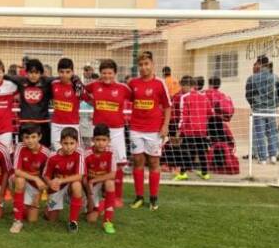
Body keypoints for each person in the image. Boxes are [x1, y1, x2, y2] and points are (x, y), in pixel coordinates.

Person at [127, 51, 172, 210]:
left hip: (154, 130)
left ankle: (153, 198)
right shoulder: (133, 83)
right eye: (141, 65)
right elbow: (128, 101)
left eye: (146, 64)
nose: (144, 67)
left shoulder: (160, 83)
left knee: (154, 162)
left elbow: (167, 107)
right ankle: (139, 197)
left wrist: (165, 126)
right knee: (138, 161)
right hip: (136, 129)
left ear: (152, 64)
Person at [83, 59, 130, 207]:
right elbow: (80, 90)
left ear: (115, 73)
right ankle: (98, 193)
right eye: (104, 73)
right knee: (97, 161)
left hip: (116, 130)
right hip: (99, 130)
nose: (107, 76)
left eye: (110, 73)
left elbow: (137, 98)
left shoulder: (123, 88)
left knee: (119, 164)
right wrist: (91, 101)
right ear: (100, 74)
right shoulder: (95, 85)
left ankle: (117, 196)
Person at [10, 123, 53, 233]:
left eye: (33, 137)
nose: (30, 140)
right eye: (26, 137)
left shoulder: (46, 153)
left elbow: (46, 176)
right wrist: (35, 179)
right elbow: (17, 171)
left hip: (35, 185)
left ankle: (21, 206)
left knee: (32, 219)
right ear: (22, 138)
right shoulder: (20, 147)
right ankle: (17, 221)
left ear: (39, 137)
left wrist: (40, 192)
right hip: (21, 179)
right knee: (19, 180)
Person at [42, 127, 85, 233]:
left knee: (77, 185)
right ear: (60, 142)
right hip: (57, 188)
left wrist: (61, 180)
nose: (69, 147)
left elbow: (79, 176)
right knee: (51, 219)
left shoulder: (79, 154)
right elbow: (45, 175)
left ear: (77, 143)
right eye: (66, 143)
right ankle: (49, 209)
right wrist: (50, 183)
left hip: (70, 186)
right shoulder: (53, 157)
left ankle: (73, 222)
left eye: (72, 143)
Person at [244, 55, 279, 163]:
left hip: (258, 109)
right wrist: (276, 104)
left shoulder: (252, 78)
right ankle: (273, 156)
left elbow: (248, 94)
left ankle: (262, 158)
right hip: (271, 109)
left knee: (260, 134)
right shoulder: (275, 77)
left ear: (260, 63)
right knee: (272, 132)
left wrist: (254, 104)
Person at [175, 76, 212, 180]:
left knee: (184, 150)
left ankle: (182, 174)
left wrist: (179, 129)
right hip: (202, 130)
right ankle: (205, 174)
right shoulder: (204, 97)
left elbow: (183, 115)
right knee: (201, 151)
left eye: (182, 86)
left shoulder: (185, 97)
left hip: (189, 130)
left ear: (187, 85)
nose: (181, 89)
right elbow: (210, 112)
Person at [84, 124, 117, 234]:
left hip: (100, 183)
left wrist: (95, 180)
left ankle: (108, 221)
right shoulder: (87, 154)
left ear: (109, 141)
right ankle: (100, 205)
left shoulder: (111, 151)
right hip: (89, 186)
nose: (101, 143)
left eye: (104, 140)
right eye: (98, 140)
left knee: (110, 183)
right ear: (93, 140)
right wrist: (89, 194)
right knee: (91, 219)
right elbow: (83, 177)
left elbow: (113, 174)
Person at [50, 58, 84, 150]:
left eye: (68, 72)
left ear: (72, 72)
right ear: (58, 72)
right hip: (56, 125)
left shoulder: (77, 86)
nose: (64, 75)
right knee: (57, 152)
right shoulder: (53, 84)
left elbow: (88, 99)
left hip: (72, 124)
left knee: (74, 152)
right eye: (61, 72)